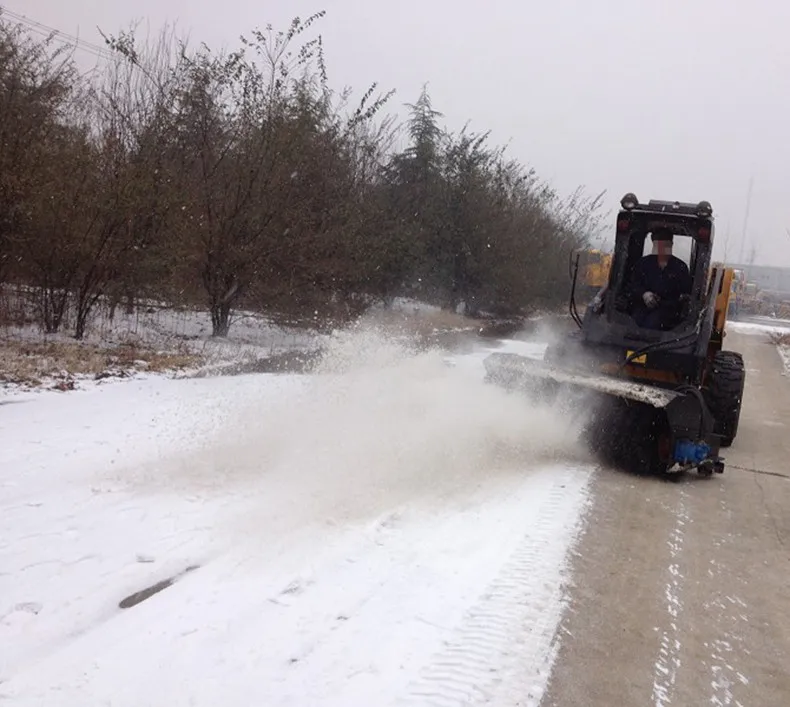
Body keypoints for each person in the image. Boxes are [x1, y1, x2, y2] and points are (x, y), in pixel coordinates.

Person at [629, 227, 693, 330]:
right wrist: (644, 294)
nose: (662, 248)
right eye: (659, 244)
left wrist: (670, 301)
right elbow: (633, 285)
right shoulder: (643, 264)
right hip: (642, 307)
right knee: (634, 323)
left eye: (665, 244)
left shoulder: (680, 267)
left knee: (653, 323)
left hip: (668, 312)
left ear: (671, 244)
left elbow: (686, 294)